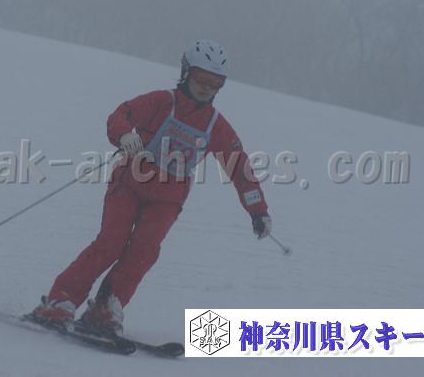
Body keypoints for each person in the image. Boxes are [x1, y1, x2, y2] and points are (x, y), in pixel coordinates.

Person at [31, 39, 272, 336]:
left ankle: (105, 309)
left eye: (216, 83)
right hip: (129, 185)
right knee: (111, 243)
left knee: (144, 252)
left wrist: (258, 210)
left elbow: (240, 168)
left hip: (167, 201)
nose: (207, 88)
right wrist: (125, 136)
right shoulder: (161, 102)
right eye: (201, 78)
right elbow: (120, 116)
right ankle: (60, 301)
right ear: (186, 72)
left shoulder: (215, 126)